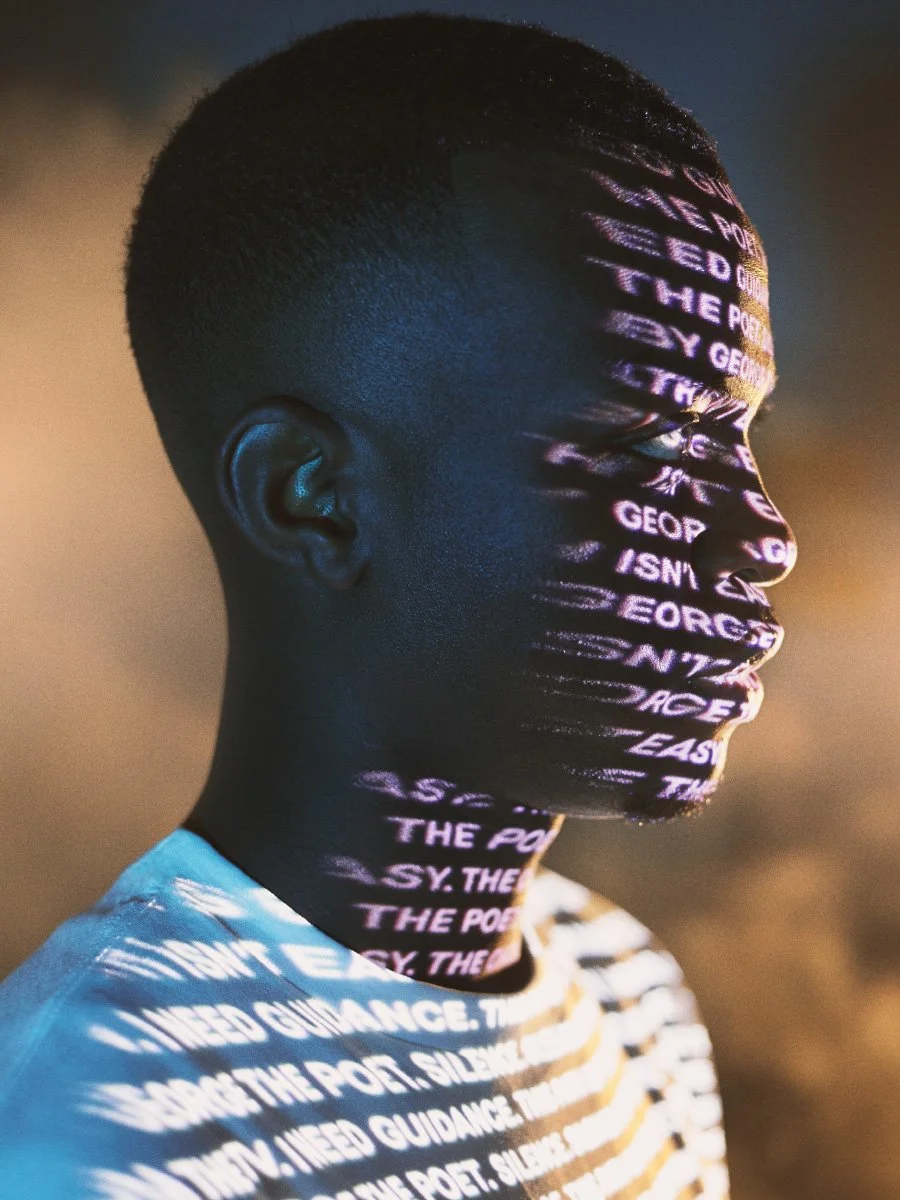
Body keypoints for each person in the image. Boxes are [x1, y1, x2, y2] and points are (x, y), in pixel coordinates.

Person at [0, 12, 795, 1199]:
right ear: (311, 499)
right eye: (643, 447)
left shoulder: (632, 997)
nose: (769, 537)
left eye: (741, 433)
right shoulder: (108, 1122)